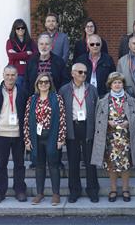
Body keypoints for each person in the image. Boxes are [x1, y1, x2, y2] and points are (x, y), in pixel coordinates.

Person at [91, 72, 135, 202]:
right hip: (110, 137)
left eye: (119, 82)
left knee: (126, 165)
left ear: (123, 84)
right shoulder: (103, 100)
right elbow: (97, 118)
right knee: (111, 165)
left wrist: (128, 123)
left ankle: (126, 189)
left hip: (126, 137)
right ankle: (113, 189)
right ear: (110, 84)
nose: (117, 85)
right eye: (114, 82)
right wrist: (108, 122)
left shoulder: (130, 100)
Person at [0, 65, 28, 204]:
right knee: (1, 164)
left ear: (16, 76)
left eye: (13, 75)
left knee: (19, 164)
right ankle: (0, 192)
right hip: (2, 134)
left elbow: (27, 113)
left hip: (18, 135)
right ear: (3, 75)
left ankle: (20, 190)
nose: (10, 77)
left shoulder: (23, 92)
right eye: (7, 75)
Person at [58, 63, 99, 203]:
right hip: (72, 127)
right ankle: (74, 190)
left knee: (90, 162)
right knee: (73, 161)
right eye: (80, 72)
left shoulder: (92, 89)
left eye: (85, 73)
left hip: (88, 127)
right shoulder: (64, 90)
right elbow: (60, 112)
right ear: (73, 73)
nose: (83, 75)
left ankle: (92, 190)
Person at [24, 73, 66, 206]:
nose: (43, 84)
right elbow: (26, 120)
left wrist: (61, 138)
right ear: (37, 84)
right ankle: (39, 193)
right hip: (36, 138)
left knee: (54, 165)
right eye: (41, 82)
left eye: (46, 82)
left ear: (50, 84)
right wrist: (27, 139)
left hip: (52, 136)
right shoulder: (32, 99)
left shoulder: (57, 98)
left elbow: (62, 119)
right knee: (39, 166)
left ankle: (55, 194)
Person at [6, 19, 37, 88]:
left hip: (28, 71)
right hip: (15, 72)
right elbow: (11, 56)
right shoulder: (10, 42)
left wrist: (17, 54)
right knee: (18, 92)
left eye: (22, 28)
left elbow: (35, 55)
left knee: (28, 92)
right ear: (14, 29)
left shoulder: (30, 41)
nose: (20, 29)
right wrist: (26, 53)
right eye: (18, 28)